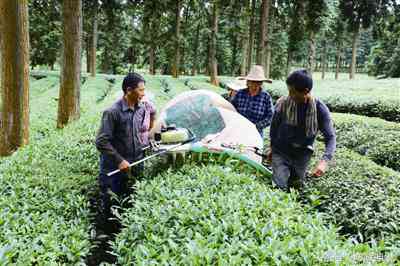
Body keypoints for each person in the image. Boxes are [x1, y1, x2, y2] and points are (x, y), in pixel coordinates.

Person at [267, 69, 336, 191]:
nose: (290, 95)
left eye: (292, 92)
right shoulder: (283, 103)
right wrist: (272, 148)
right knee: (279, 185)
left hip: (302, 154)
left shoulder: (320, 109)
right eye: (288, 91)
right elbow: (274, 128)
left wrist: (324, 161)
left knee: (296, 187)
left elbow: (330, 137)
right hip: (281, 151)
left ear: (306, 91)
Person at [95, 72, 149, 218]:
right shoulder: (112, 112)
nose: (144, 94)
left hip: (135, 165)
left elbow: (137, 135)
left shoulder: (141, 109)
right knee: (111, 209)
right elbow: (101, 141)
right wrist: (119, 160)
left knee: (131, 206)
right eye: (141, 90)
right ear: (129, 90)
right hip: (114, 170)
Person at [231, 65, 274, 137]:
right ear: (248, 82)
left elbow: (271, 116)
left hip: (256, 133)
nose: (256, 85)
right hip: (238, 131)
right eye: (253, 82)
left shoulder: (266, 97)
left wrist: (257, 126)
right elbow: (231, 109)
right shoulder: (240, 94)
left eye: (259, 82)